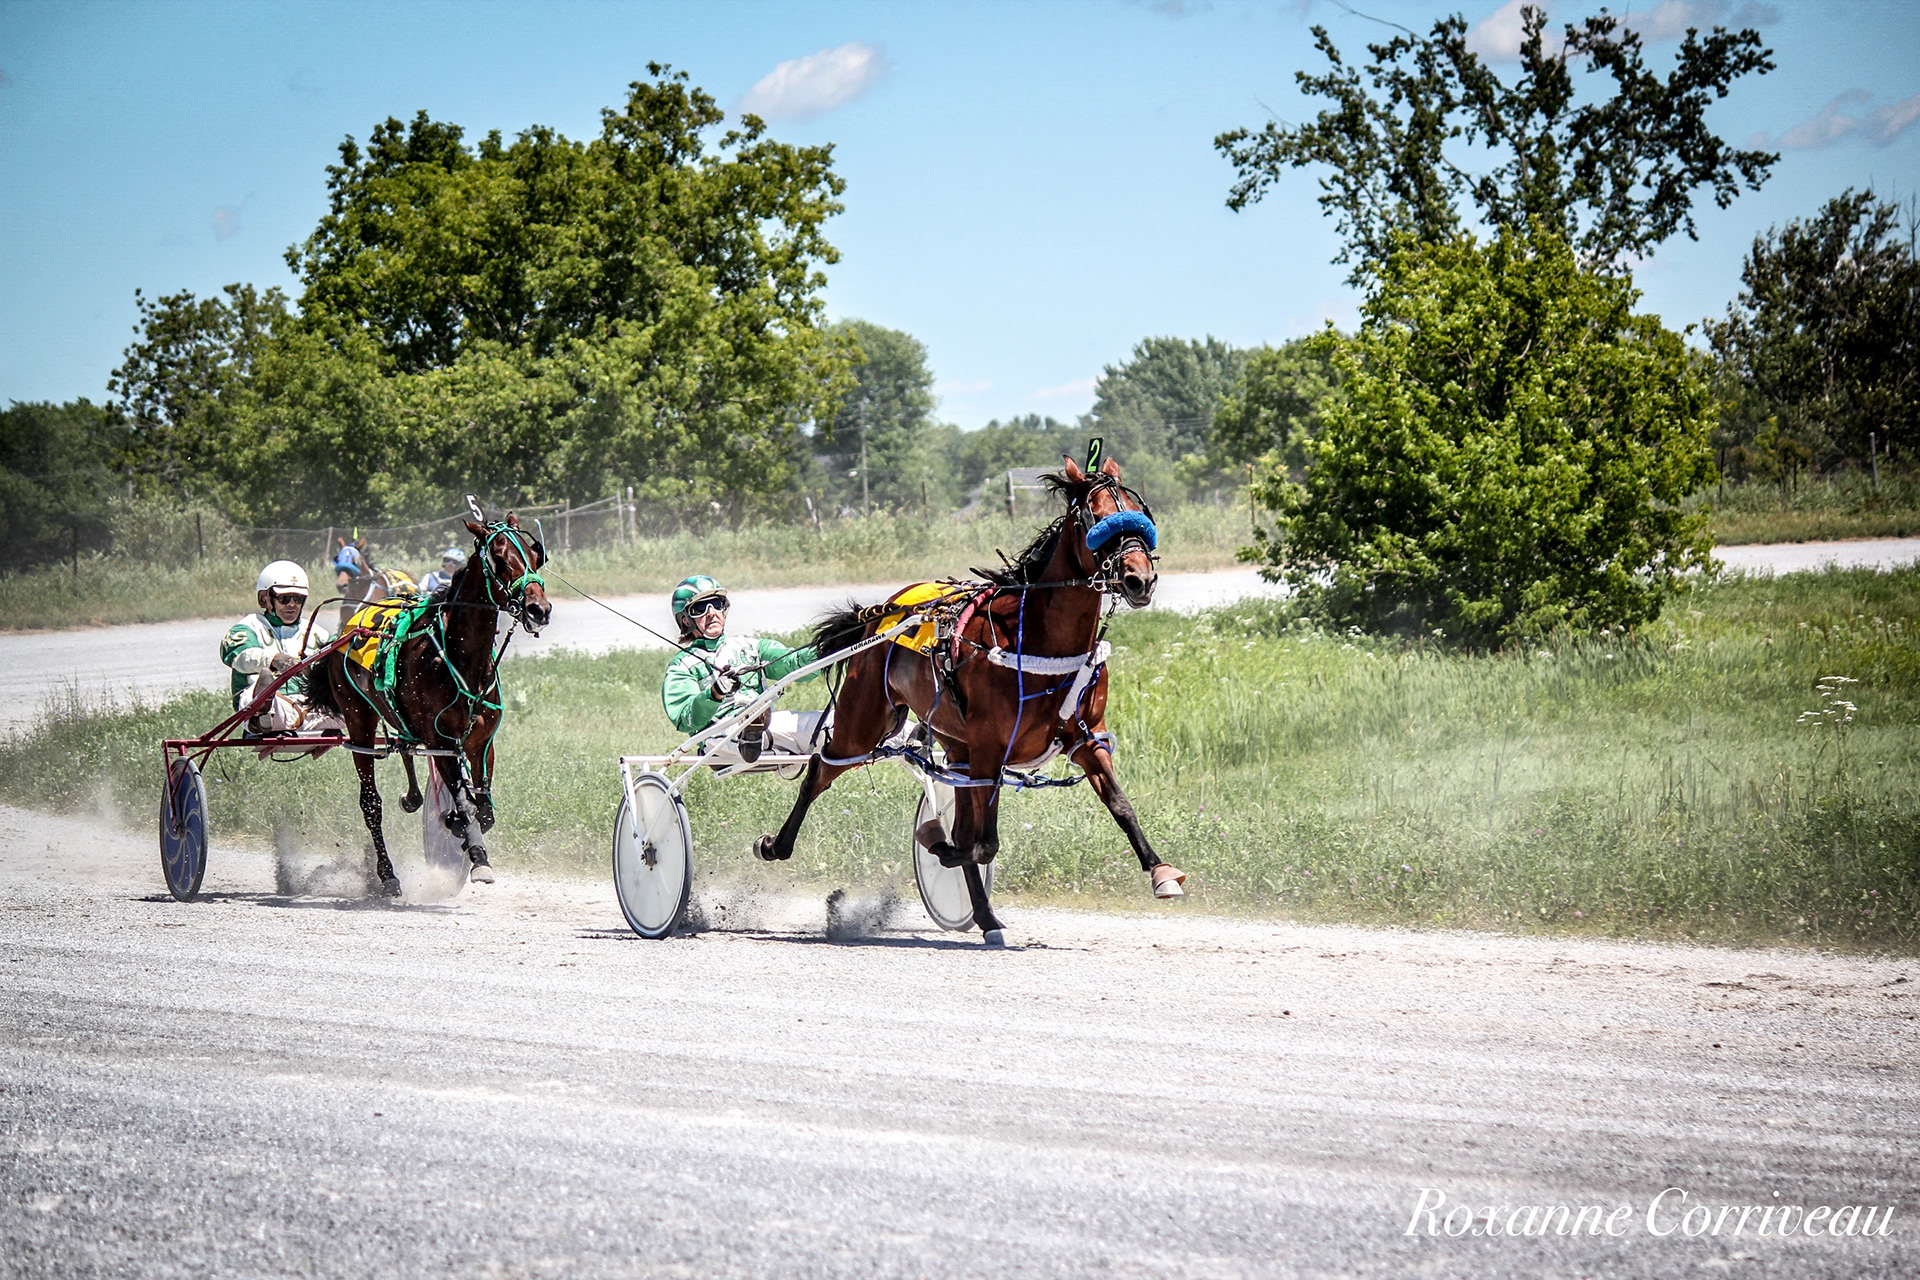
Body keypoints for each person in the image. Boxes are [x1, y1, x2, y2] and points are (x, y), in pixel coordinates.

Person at [660, 575, 822, 763]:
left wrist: (826, 647)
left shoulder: (751, 646)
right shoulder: (681, 666)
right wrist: (715, 693)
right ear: (686, 621)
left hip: (767, 727)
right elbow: (684, 717)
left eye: (716, 604)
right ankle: (749, 735)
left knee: (835, 723)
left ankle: (752, 732)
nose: (711, 613)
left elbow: (793, 662)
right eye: (700, 608)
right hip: (719, 736)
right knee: (747, 730)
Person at [221, 561, 343, 736]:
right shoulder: (248, 627)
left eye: (298, 599)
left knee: (347, 695)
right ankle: (262, 717)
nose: (292, 604)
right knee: (260, 689)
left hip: (311, 708)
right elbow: (238, 656)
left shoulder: (317, 633)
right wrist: (275, 660)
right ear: (265, 599)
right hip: (273, 708)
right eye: (284, 599)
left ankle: (326, 725)